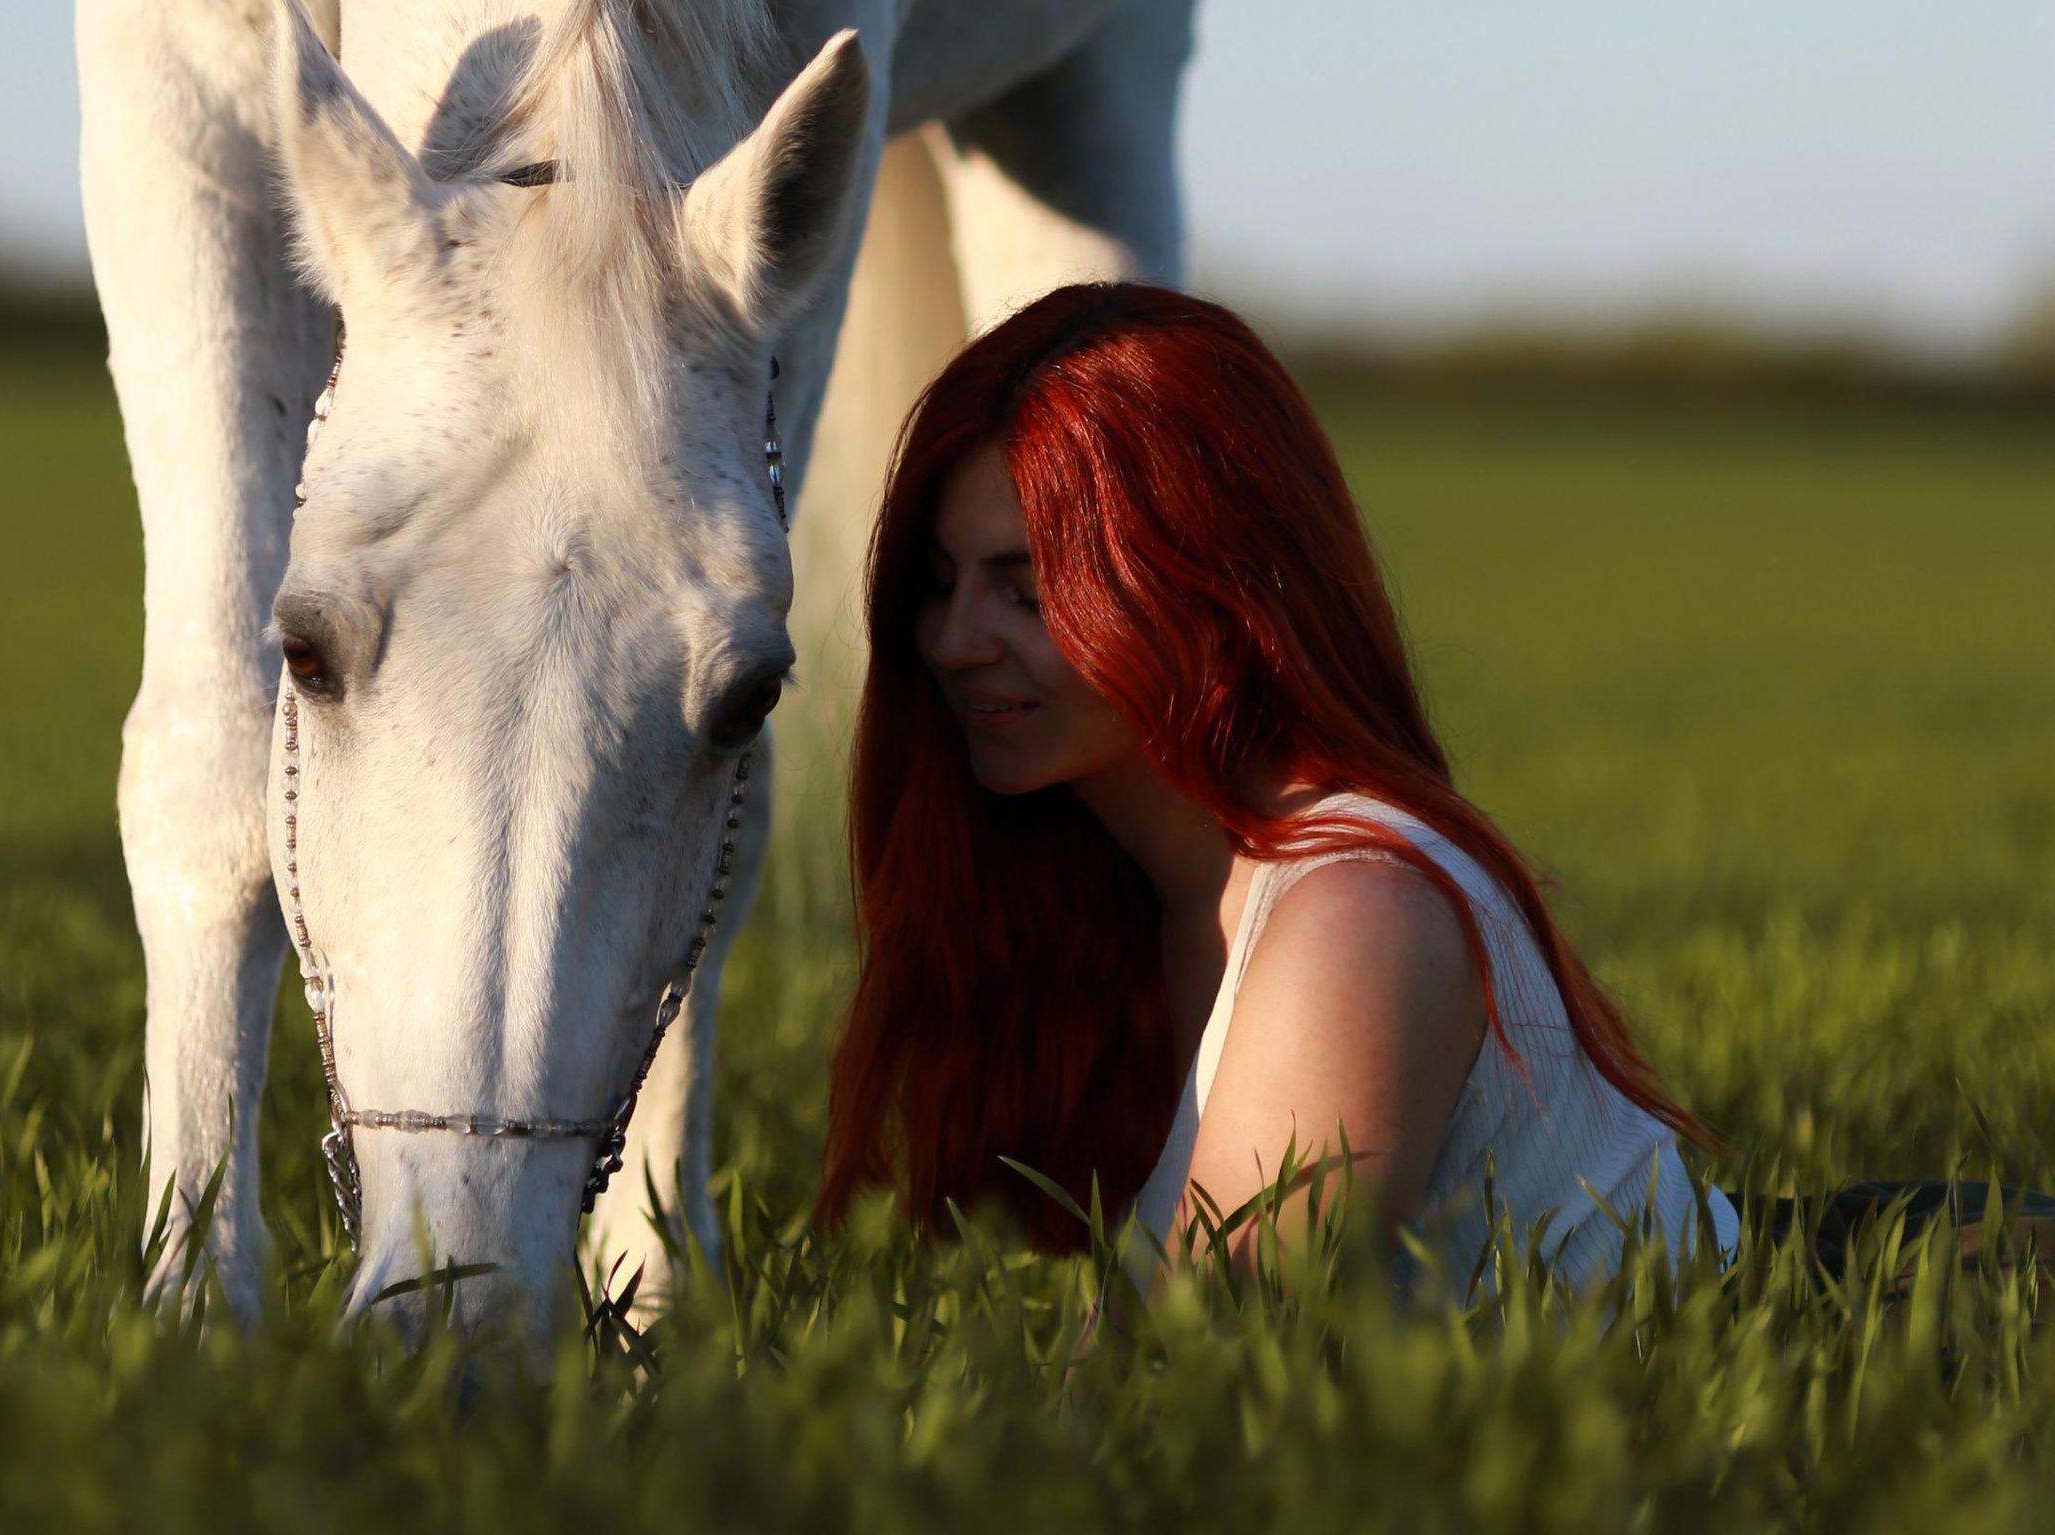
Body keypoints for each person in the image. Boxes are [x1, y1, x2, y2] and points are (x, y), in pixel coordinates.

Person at [819, 282, 2013, 1301]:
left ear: (1206, 583)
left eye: (1028, 592)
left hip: (1917, 1298)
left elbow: (1193, 1382)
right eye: (937, 583)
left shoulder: (1352, 913)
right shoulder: (1115, 900)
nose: (954, 639)